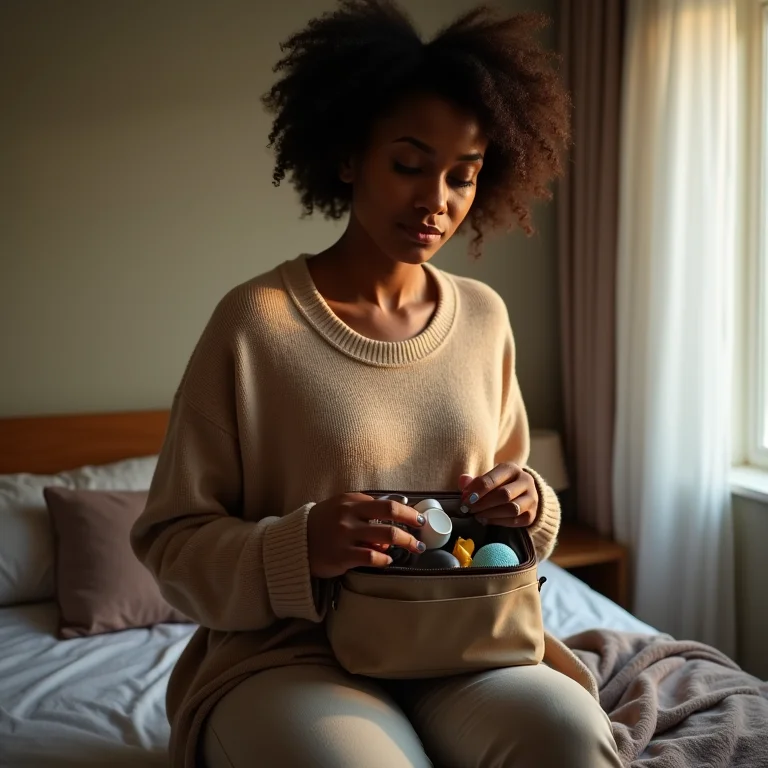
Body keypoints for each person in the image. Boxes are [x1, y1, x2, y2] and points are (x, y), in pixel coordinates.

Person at [131, 2, 623, 766]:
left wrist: (530, 501)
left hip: (462, 641)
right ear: (348, 156)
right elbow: (172, 543)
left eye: (463, 175)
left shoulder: (485, 318)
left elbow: (516, 504)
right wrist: (301, 545)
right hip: (291, 656)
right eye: (409, 165)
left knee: (570, 735)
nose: (437, 201)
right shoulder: (256, 323)